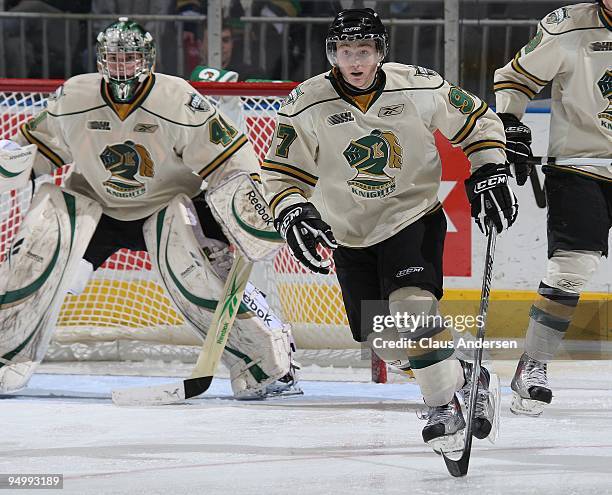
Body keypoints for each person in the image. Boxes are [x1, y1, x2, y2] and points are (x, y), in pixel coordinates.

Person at [0, 17, 300, 400]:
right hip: (96, 207)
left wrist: (249, 200)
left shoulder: (177, 99)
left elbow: (228, 156)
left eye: (129, 57)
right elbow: (38, 148)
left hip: (168, 206)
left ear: (148, 59)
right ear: (99, 60)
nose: (121, 66)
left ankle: (269, 365)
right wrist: (13, 161)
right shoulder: (73, 97)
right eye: (113, 57)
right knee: (35, 258)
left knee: (200, 279)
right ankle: (5, 359)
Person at [261, 8, 516, 454]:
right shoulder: (307, 101)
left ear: (380, 51)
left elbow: (477, 122)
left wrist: (490, 166)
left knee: (412, 309)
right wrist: (292, 210)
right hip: (349, 232)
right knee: (389, 345)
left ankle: (443, 408)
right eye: (345, 51)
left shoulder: (418, 84)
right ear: (332, 54)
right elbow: (282, 174)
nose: (355, 61)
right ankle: (466, 372)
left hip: (410, 214)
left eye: (364, 50)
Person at [494, 0, 612, 416]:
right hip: (583, 165)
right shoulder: (567, 27)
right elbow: (515, 78)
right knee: (571, 267)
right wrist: (510, 123)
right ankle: (533, 363)